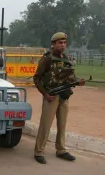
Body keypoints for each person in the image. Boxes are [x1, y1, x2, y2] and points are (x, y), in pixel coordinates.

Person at [32, 32, 85, 164]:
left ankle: (61, 150)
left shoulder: (67, 59)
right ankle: (39, 151)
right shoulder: (47, 59)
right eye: (60, 43)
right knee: (46, 125)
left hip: (64, 96)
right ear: (53, 44)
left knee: (62, 125)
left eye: (64, 43)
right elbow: (37, 78)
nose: (63, 45)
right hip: (51, 95)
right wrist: (45, 94)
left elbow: (70, 77)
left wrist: (78, 81)